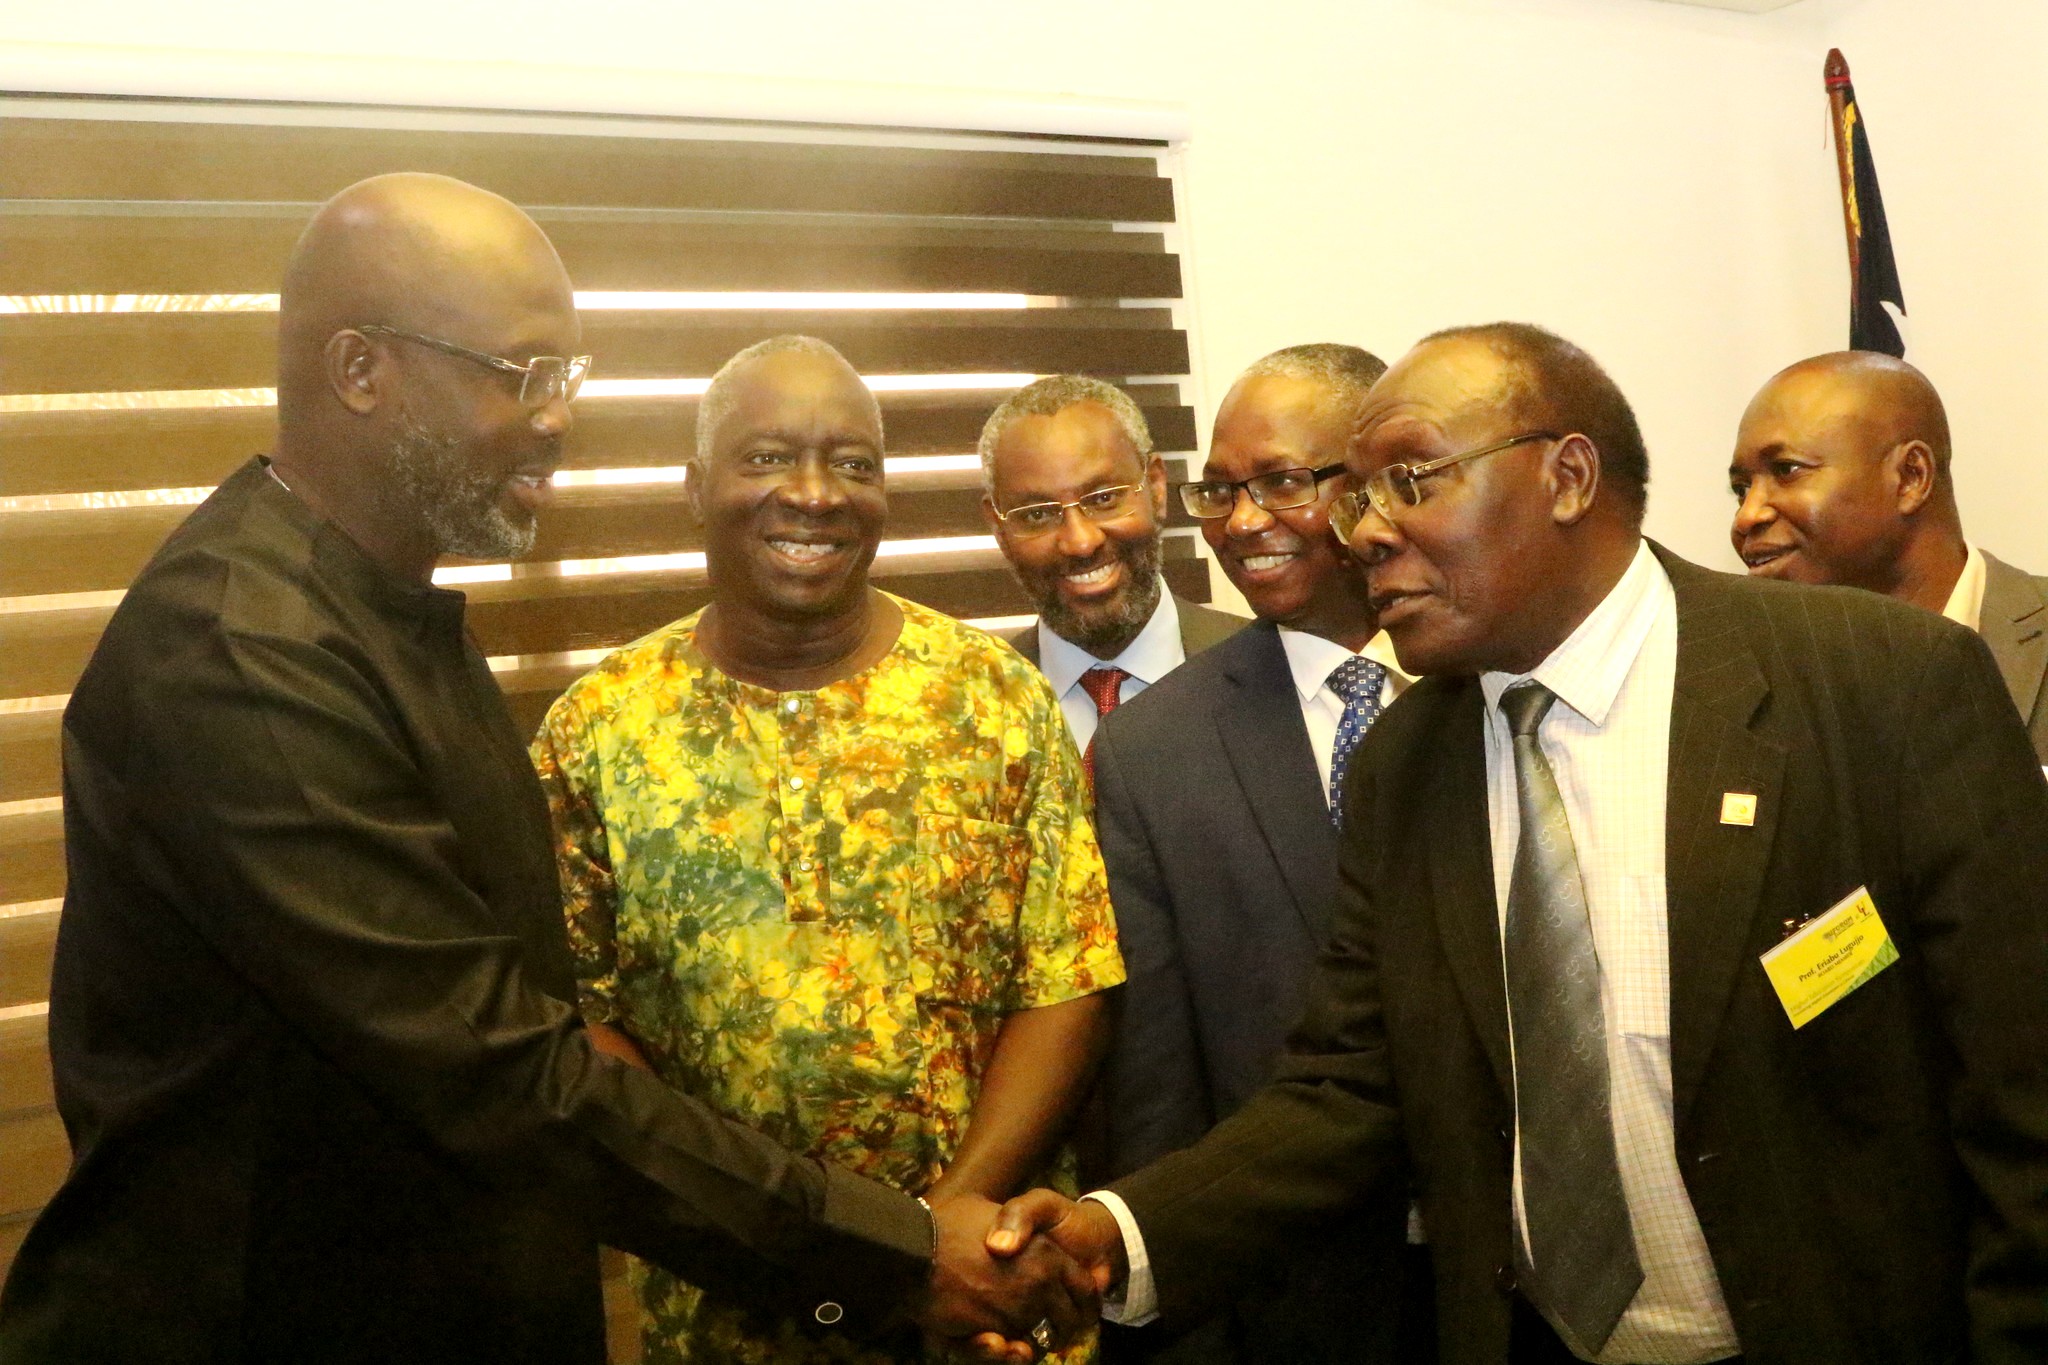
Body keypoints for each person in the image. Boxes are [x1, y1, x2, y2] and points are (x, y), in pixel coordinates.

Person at [0, 176, 1089, 1365]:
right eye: (521, 376)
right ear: (361, 371)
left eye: (566, 378)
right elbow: (499, 1069)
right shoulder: (242, 658)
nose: (558, 418)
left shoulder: (393, 623)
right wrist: (886, 1250)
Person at [984, 323, 2048, 1365]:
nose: (1362, 532)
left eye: (1409, 481)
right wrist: (1113, 1239)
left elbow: (2019, 1099)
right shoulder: (1408, 764)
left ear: (1567, 476)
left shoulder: (1887, 686)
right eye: (1355, 496)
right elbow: (1348, 1086)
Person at [531, 334, 1126, 1364]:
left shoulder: (993, 699)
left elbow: (1064, 982)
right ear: (693, 486)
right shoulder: (596, 731)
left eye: (853, 463)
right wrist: (831, 1246)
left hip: (988, 1293)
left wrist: (934, 1239)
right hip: (729, 1307)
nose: (815, 494)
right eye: (766, 458)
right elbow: (581, 1027)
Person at [1090, 344, 1429, 1364]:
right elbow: (1157, 1097)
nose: (1241, 524)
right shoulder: (1154, 752)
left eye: (1281, 483)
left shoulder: (1491, 689)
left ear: (1375, 482)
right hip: (1302, 1301)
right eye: (1219, 491)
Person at [1729, 350, 2048, 763]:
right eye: (1741, 489)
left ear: (1911, 477)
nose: (1746, 515)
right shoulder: (1741, 690)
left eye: (1787, 470)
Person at [980, 376, 1242, 759]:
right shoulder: (968, 705)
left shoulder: (1273, 672)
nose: (1081, 542)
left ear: (1155, 488)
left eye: (1103, 498)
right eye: (1037, 514)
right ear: (999, 527)